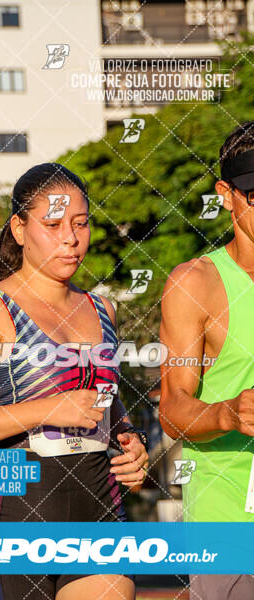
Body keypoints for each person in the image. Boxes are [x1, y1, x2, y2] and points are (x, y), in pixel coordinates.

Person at [0, 162, 149, 600]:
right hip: (12, 519)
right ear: (20, 229)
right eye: (52, 224)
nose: (70, 238)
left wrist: (130, 441)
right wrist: (46, 408)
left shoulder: (104, 310)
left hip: (98, 510)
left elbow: (106, 407)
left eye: (80, 224)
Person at [159, 122, 254, 599]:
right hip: (229, 519)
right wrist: (228, 412)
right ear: (227, 194)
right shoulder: (195, 283)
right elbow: (173, 410)